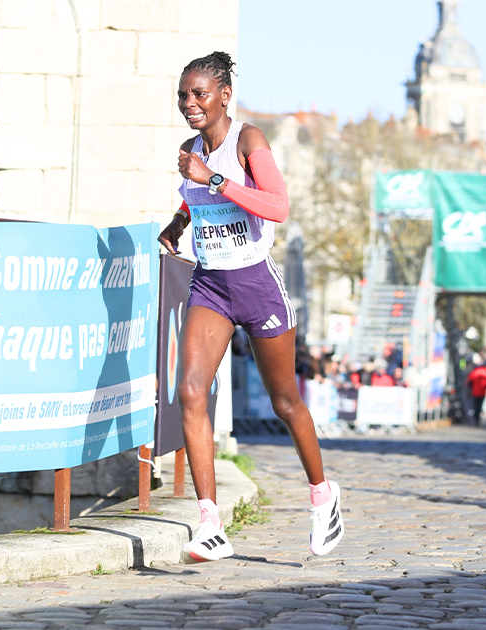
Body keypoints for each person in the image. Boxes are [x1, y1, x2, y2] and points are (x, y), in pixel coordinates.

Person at [157, 52, 343, 563]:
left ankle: (323, 496)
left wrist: (213, 179)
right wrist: (178, 224)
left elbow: (277, 206)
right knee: (190, 391)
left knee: (286, 403)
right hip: (212, 284)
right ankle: (209, 523)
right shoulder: (188, 150)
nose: (189, 104)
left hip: (257, 284)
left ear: (223, 95)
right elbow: (194, 200)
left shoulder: (249, 140)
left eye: (198, 94)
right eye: (182, 95)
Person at [467, 360, 486, 425]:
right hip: (482, 392)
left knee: (475, 405)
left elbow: (469, 380)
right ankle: (476, 418)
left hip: (475, 391)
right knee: (479, 406)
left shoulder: (475, 371)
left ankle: (475, 418)